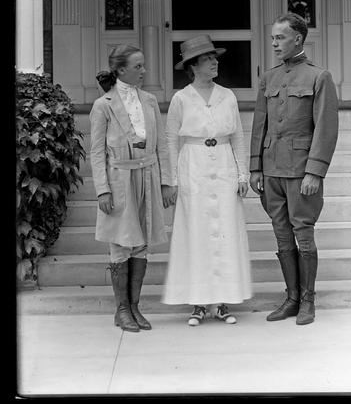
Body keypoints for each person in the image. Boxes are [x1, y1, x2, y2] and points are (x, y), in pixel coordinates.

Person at [249, 13, 338, 325]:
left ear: (298, 39)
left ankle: (308, 300)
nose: (274, 43)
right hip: (272, 169)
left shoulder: (319, 77)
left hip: (301, 171)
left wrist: (315, 171)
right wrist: (255, 168)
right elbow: (259, 125)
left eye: (280, 38)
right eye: (273, 38)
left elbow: (326, 128)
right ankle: (291, 297)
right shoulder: (268, 79)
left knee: (303, 233)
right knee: (281, 234)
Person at [162, 35, 252, 326]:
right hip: (194, 164)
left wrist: (242, 173)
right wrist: (173, 179)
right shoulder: (181, 98)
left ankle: (223, 302)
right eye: (207, 59)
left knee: (224, 228)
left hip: (224, 161)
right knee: (197, 232)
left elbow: (237, 134)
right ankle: (199, 303)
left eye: (215, 58)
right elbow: (171, 139)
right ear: (193, 66)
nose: (214, 63)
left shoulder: (227, 96)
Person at [90, 45, 175, 333]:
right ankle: (121, 309)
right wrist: (103, 190)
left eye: (143, 65)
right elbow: (97, 152)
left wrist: (166, 182)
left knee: (141, 242)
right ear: (121, 70)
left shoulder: (149, 100)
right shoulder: (104, 105)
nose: (144, 71)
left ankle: (135, 306)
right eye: (138, 66)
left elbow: (162, 144)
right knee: (121, 242)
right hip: (119, 180)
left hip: (148, 176)